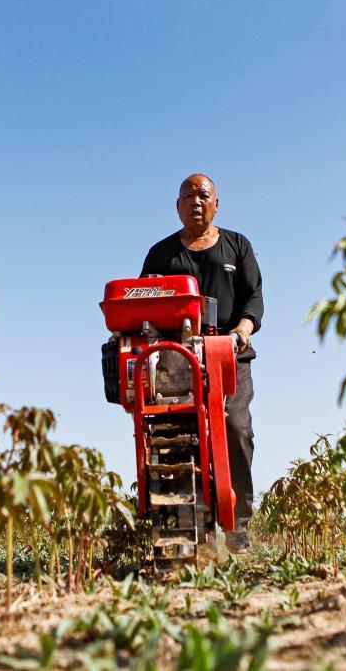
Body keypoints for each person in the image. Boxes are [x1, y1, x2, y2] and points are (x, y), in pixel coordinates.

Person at [140, 173, 263, 552]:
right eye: (187, 196)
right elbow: (139, 302)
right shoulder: (161, 254)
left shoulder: (237, 246)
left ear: (216, 203)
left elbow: (253, 300)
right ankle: (181, 523)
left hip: (229, 355)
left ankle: (238, 524)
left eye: (203, 195)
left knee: (236, 429)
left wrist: (241, 330)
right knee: (174, 437)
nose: (195, 201)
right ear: (177, 207)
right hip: (176, 361)